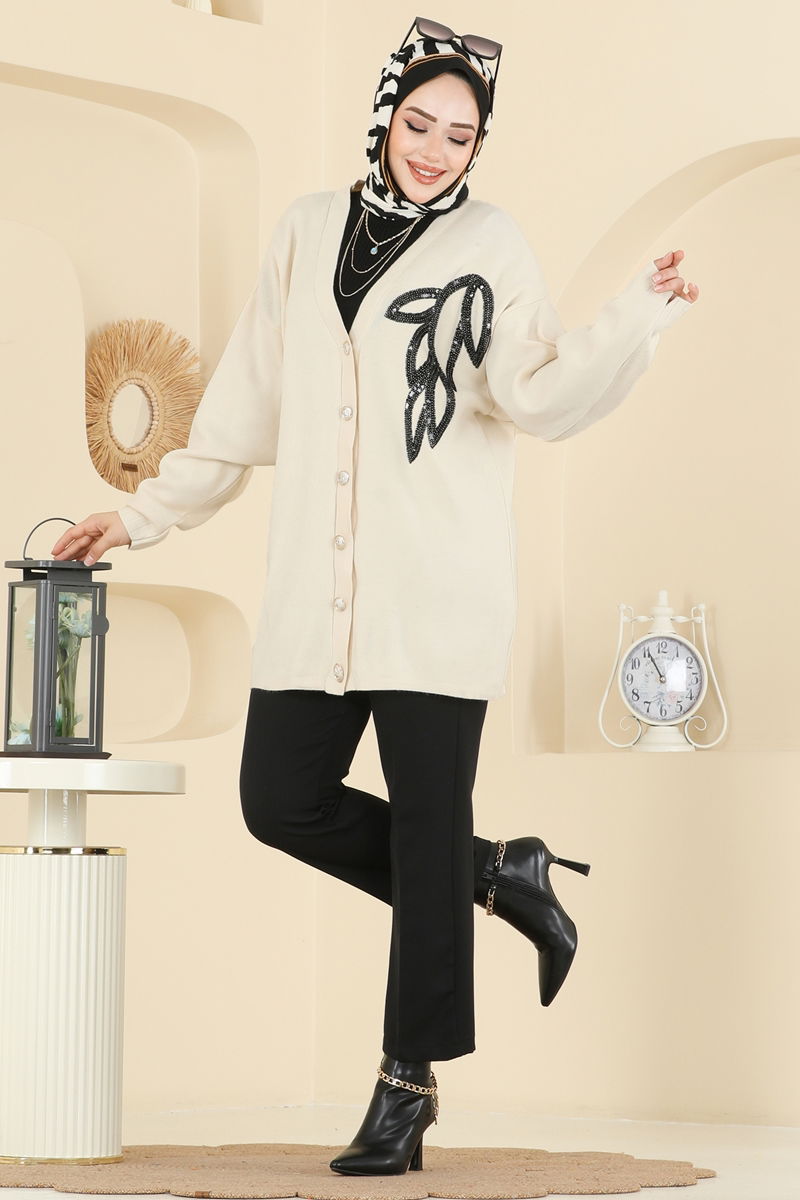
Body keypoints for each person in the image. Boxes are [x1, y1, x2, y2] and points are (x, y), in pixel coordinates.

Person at [50, 15, 699, 1179]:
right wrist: (139, 518)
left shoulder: (490, 244)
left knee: (422, 823)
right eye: (419, 123)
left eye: (460, 135)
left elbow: (539, 392)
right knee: (279, 798)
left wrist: (634, 317)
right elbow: (239, 414)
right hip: (318, 593)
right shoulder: (306, 232)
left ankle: (406, 1087)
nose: (435, 150)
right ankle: (498, 872)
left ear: (478, 146)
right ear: (385, 114)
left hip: (438, 597)